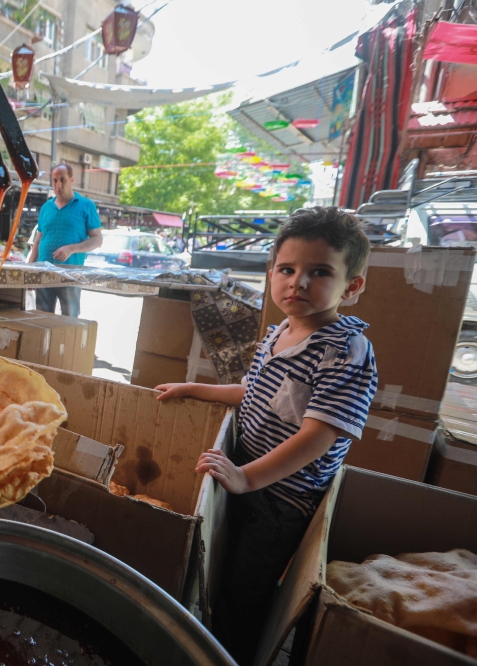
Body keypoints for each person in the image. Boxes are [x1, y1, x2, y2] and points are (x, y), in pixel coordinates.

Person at [154, 207, 378, 666]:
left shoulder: (346, 350)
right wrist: (193, 387)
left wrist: (247, 479)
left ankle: (229, 654)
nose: (297, 282)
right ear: (271, 271)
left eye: (319, 272)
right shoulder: (281, 332)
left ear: (351, 287)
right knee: (219, 572)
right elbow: (252, 392)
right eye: (287, 269)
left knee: (244, 592)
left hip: (280, 501)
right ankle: (208, 639)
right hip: (248, 477)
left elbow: (319, 435)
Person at [25, 164, 103, 318]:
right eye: (54, 180)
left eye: (63, 180)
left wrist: (72, 249)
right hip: (43, 271)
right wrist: (29, 272)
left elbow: (97, 239)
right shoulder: (46, 207)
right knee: (42, 318)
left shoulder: (86, 205)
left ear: (72, 179)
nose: (58, 185)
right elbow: (38, 241)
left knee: (69, 319)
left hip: (70, 273)